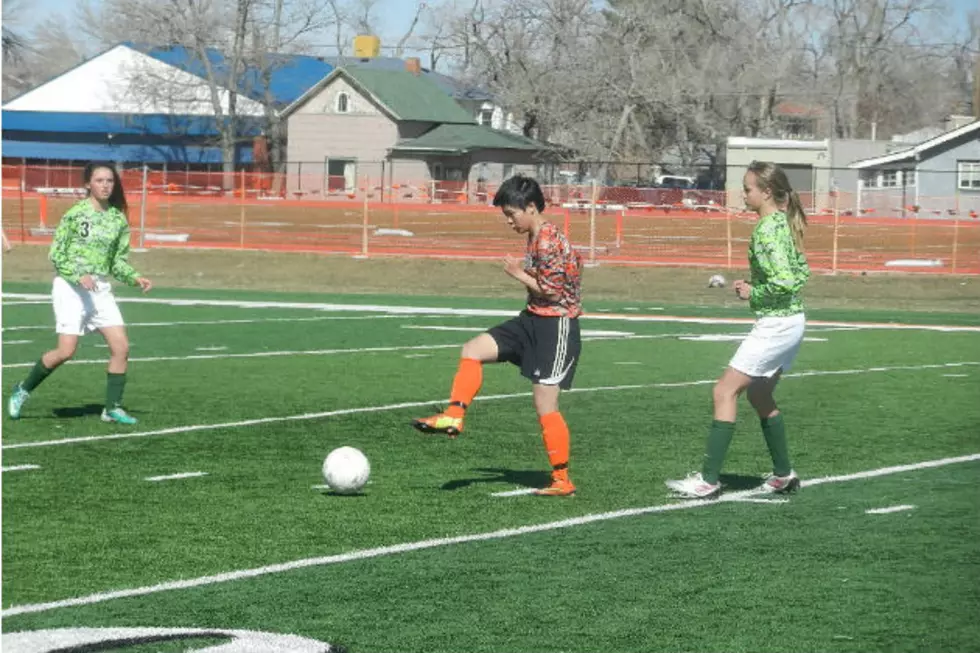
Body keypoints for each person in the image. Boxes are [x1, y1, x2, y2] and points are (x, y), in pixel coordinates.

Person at [412, 174, 583, 496]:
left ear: (531, 207)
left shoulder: (548, 239)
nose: (508, 221)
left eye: (511, 214)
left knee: (545, 404)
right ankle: (453, 416)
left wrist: (517, 273)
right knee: (473, 349)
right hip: (532, 319)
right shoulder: (536, 236)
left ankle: (562, 480)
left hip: (555, 326)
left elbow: (553, 291)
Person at [666, 161, 810, 499]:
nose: (743, 194)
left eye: (748, 189)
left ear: (767, 192)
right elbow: (801, 272)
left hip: (777, 323)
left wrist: (753, 292)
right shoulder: (782, 224)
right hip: (792, 321)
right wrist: (759, 286)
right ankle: (783, 474)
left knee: (724, 392)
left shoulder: (767, 229)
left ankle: (708, 481)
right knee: (759, 395)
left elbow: (786, 280)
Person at [7, 162, 153, 425]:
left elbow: (116, 262)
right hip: (70, 287)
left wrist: (134, 277)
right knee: (66, 351)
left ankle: (112, 408)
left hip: (99, 289)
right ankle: (22, 390)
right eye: (99, 180)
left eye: (109, 180)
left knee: (121, 347)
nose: (105, 185)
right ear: (88, 184)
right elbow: (56, 254)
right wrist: (78, 275)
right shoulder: (75, 214)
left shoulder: (118, 219)